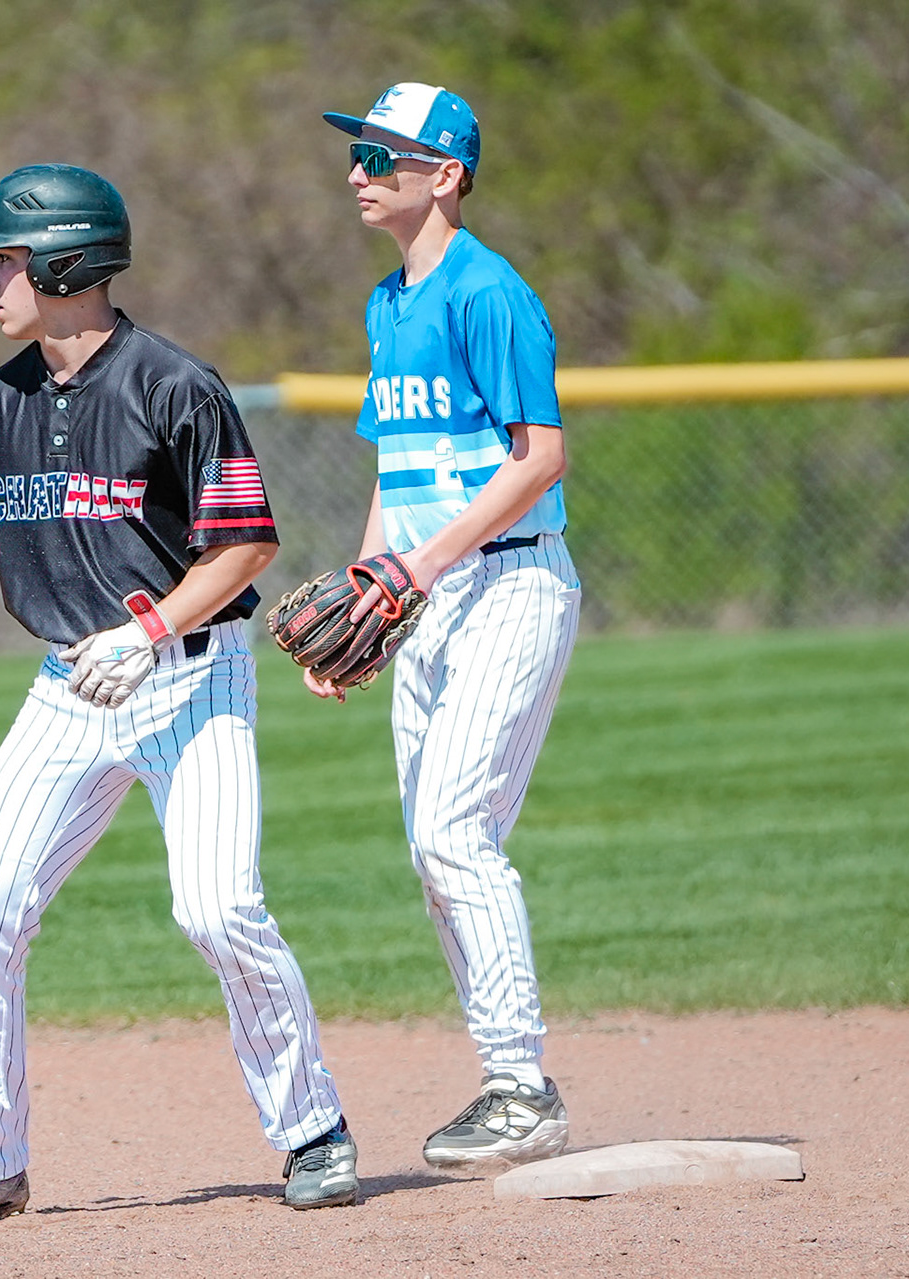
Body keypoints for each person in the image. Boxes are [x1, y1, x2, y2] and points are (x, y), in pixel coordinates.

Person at [0, 165, 357, 1227]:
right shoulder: (0, 400)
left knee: (216, 907)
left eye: (8, 259)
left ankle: (315, 1132)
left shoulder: (175, 385)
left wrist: (150, 629)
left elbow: (245, 544)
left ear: (69, 264)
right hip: (67, 690)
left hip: (191, 674)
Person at [312, 84, 581, 1170]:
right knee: (435, 853)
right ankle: (506, 1084)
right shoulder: (387, 305)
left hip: (510, 587)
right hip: (426, 601)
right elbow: (398, 468)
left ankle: (523, 1087)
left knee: (454, 833)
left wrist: (419, 567)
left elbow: (540, 457)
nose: (360, 172)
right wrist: (368, 599)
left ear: (448, 175)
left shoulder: (488, 293)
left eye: (384, 155)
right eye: (359, 154)